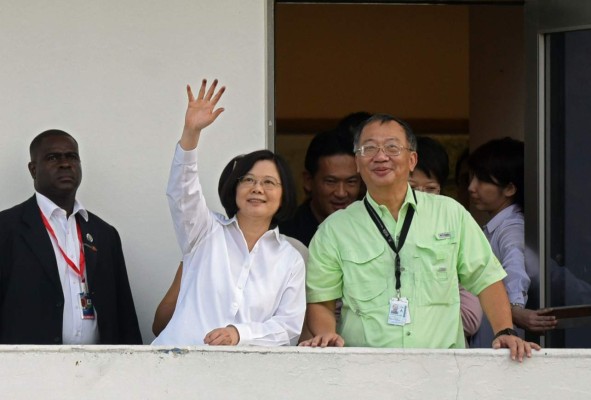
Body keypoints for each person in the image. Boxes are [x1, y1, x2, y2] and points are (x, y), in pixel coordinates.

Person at [301, 114, 540, 361]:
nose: (381, 156)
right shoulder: (333, 230)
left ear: (412, 159)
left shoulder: (450, 214)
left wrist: (505, 330)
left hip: (443, 369)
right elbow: (321, 299)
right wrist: (327, 334)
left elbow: (486, 278)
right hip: (365, 370)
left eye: (392, 147)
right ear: (358, 163)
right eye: (369, 148)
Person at [152, 79, 306, 346]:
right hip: (176, 368)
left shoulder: (289, 259)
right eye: (248, 180)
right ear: (234, 189)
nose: (257, 188)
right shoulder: (204, 231)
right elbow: (182, 192)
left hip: (240, 377)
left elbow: (288, 327)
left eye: (269, 182)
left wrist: (239, 334)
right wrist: (191, 133)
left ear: (284, 196)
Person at [0, 129, 142, 344]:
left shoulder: (104, 234)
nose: (65, 163)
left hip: (99, 369)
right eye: (53, 157)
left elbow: (123, 312)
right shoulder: (6, 227)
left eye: (72, 157)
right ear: (33, 169)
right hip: (26, 369)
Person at [467, 138, 558, 347]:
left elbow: (515, 264)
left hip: (501, 343)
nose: (472, 187)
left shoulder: (511, 227)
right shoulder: (498, 226)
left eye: (482, 180)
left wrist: (515, 309)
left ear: (509, 188)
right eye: (471, 178)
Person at [409, 136, 483, 342]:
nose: (421, 197)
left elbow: (470, 318)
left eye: (431, 189)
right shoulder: (365, 231)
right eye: (412, 188)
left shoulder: (454, 228)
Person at [279, 128, 362, 246]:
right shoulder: (285, 237)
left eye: (351, 182)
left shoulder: (371, 230)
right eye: (331, 181)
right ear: (308, 181)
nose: (341, 193)